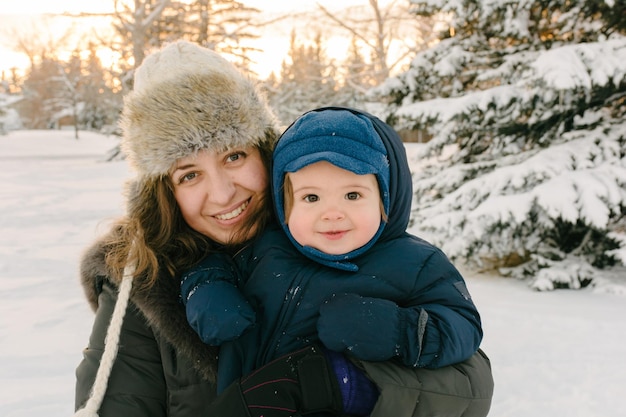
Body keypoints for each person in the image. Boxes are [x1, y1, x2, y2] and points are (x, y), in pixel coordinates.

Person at [74, 41, 492, 417]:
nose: (221, 194)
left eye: (234, 156)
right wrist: (203, 282)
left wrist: (338, 383)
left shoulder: (329, 237)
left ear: (266, 152)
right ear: (163, 193)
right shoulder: (138, 283)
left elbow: (470, 383)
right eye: (189, 175)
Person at [181, 107, 494, 417]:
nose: (331, 213)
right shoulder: (266, 247)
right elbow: (210, 262)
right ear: (284, 203)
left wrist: (398, 332)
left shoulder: (417, 263)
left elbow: (462, 325)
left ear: (387, 197)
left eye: (353, 195)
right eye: (311, 198)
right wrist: (208, 289)